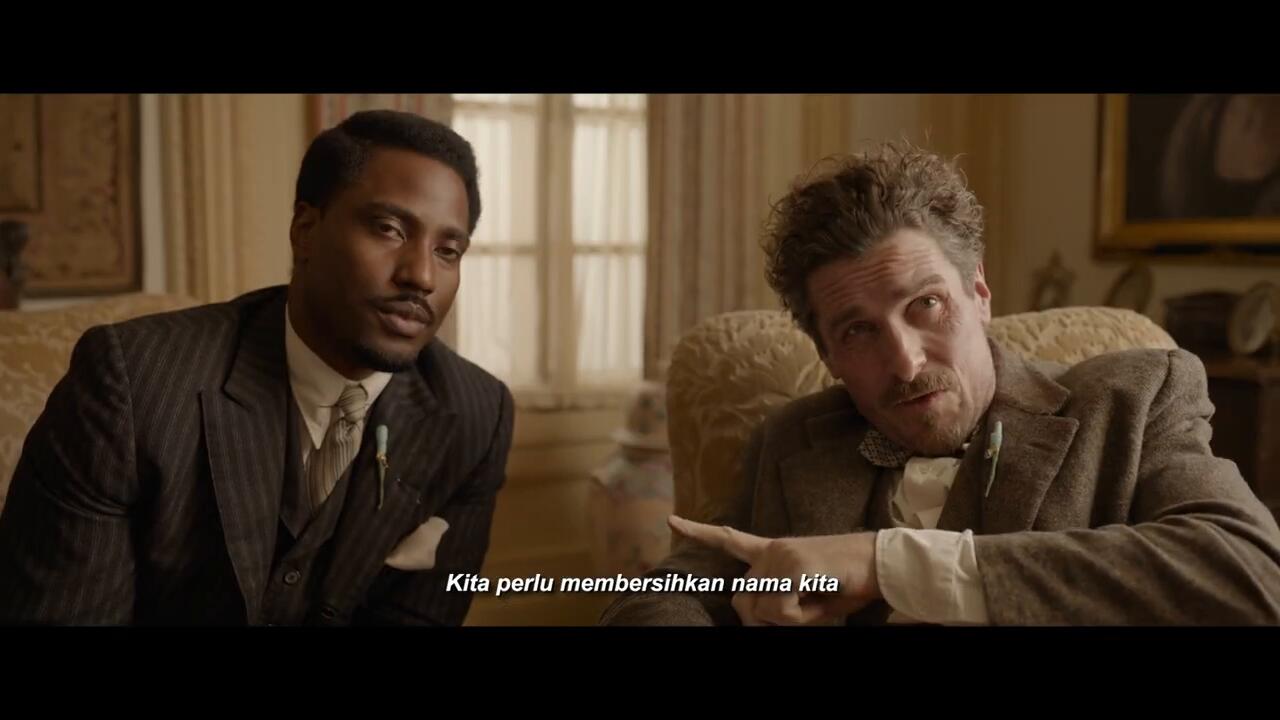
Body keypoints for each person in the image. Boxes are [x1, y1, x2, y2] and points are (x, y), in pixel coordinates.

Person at [600, 143, 1280, 626]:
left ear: (979, 292)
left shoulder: (1135, 397)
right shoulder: (791, 439)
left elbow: (1252, 574)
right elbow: (656, 596)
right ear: (827, 354)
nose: (904, 361)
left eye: (925, 304)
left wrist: (885, 564)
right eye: (858, 331)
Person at [0, 110, 514, 626]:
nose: (421, 275)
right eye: (389, 229)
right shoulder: (131, 383)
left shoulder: (476, 414)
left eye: (448, 251)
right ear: (305, 231)